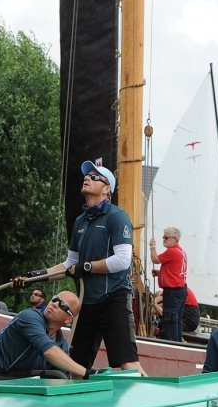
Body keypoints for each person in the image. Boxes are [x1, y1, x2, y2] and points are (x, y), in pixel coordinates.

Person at [13, 160, 144, 374]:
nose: (87, 178)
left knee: (127, 363)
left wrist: (88, 267)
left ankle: (148, 402)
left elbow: (122, 260)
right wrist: (34, 277)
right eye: (86, 175)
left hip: (114, 298)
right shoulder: (81, 222)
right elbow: (70, 264)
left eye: (94, 177)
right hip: (88, 303)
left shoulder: (117, 217)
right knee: (75, 365)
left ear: (107, 189)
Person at [0, 291, 88, 382]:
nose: (55, 304)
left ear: (68, 319)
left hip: (12, 378)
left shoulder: (62, 344)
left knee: (57, 377)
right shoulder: (29, 316)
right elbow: (49, 351)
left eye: (63, 305)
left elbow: (62, 377)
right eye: (55, 299)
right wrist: (85, 372)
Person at [148, 226, 188, 342]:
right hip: (180, 289)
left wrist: (152, 246)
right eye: (163, 237)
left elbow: (155, 259)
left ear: (174, 239)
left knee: (170, 319)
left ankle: (171, 344)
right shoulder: (181, 251)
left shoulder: (172, 251)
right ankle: (177, 343)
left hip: (173, 290)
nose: (163, 240)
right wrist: (160, 273)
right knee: (176, 319)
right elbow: (175, 270)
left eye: (165, 237)